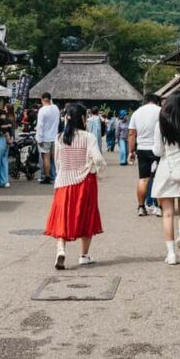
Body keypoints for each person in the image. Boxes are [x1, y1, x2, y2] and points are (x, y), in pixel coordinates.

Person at [45, 103, 106, 270]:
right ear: (83, 118)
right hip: (85, 181)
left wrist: (62, 174)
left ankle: (60, 249)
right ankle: (84, 255)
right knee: (86, 216)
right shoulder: (88, 137)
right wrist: (99, 171)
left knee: (63, 215)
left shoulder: (59, 138)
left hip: (64, 181)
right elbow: (98, 159)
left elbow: (57, 161)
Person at [152, 91, 180, 265]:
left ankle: (171, 254)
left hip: (166, 170)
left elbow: (157, 151)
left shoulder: (161, 124)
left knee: (168, 214)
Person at [129, 94, 162, 217]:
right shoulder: (161, 111)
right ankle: (159, 207)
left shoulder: (137, 113)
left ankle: (141, 207)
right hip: (157, 149)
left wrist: (131, 152)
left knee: (143, 179)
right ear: (157, 102)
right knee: (158, 179)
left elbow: (132, 134)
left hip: (142, 149)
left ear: (145, 101)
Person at [35, 92, 61, 185]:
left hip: (45, 137)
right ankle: (55, 175)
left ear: (42, 99)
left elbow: (40, 126)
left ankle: (47, 176)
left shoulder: (42, 110)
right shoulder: (56, 108)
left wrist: (39, 138)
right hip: (54, 136)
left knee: (46, 158)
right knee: (54, 158)